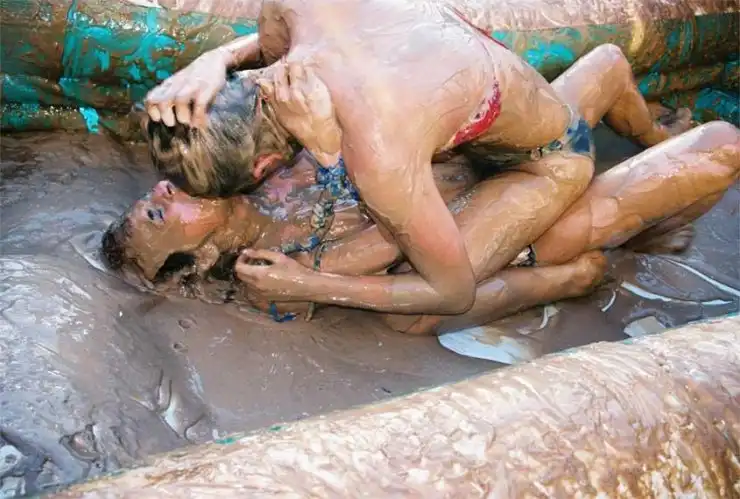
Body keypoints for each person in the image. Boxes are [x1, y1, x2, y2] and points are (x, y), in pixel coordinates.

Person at [142, 0, 700, 317]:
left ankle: (591, 257)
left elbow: (452, 293)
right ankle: (652, 137)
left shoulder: (372, 148)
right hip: (498, 98)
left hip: (546, 160)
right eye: (155, 208)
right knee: (604, 64)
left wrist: (310, 283)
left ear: (263, 168)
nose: (162, 190)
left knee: (415, 313)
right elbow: (273, 49)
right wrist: (215, 59)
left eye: (156, 205)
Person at [104, 76, 740, 333]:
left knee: (606, 63)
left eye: (151, 195)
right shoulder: (284, 264)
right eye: (158, 214)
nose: (161, 189)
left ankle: (649, 158)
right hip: (522, 219)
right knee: (721, 146)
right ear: (203, 254)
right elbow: (408, 231)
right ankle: (624, 237)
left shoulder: (259, 177)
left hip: (493, 162)